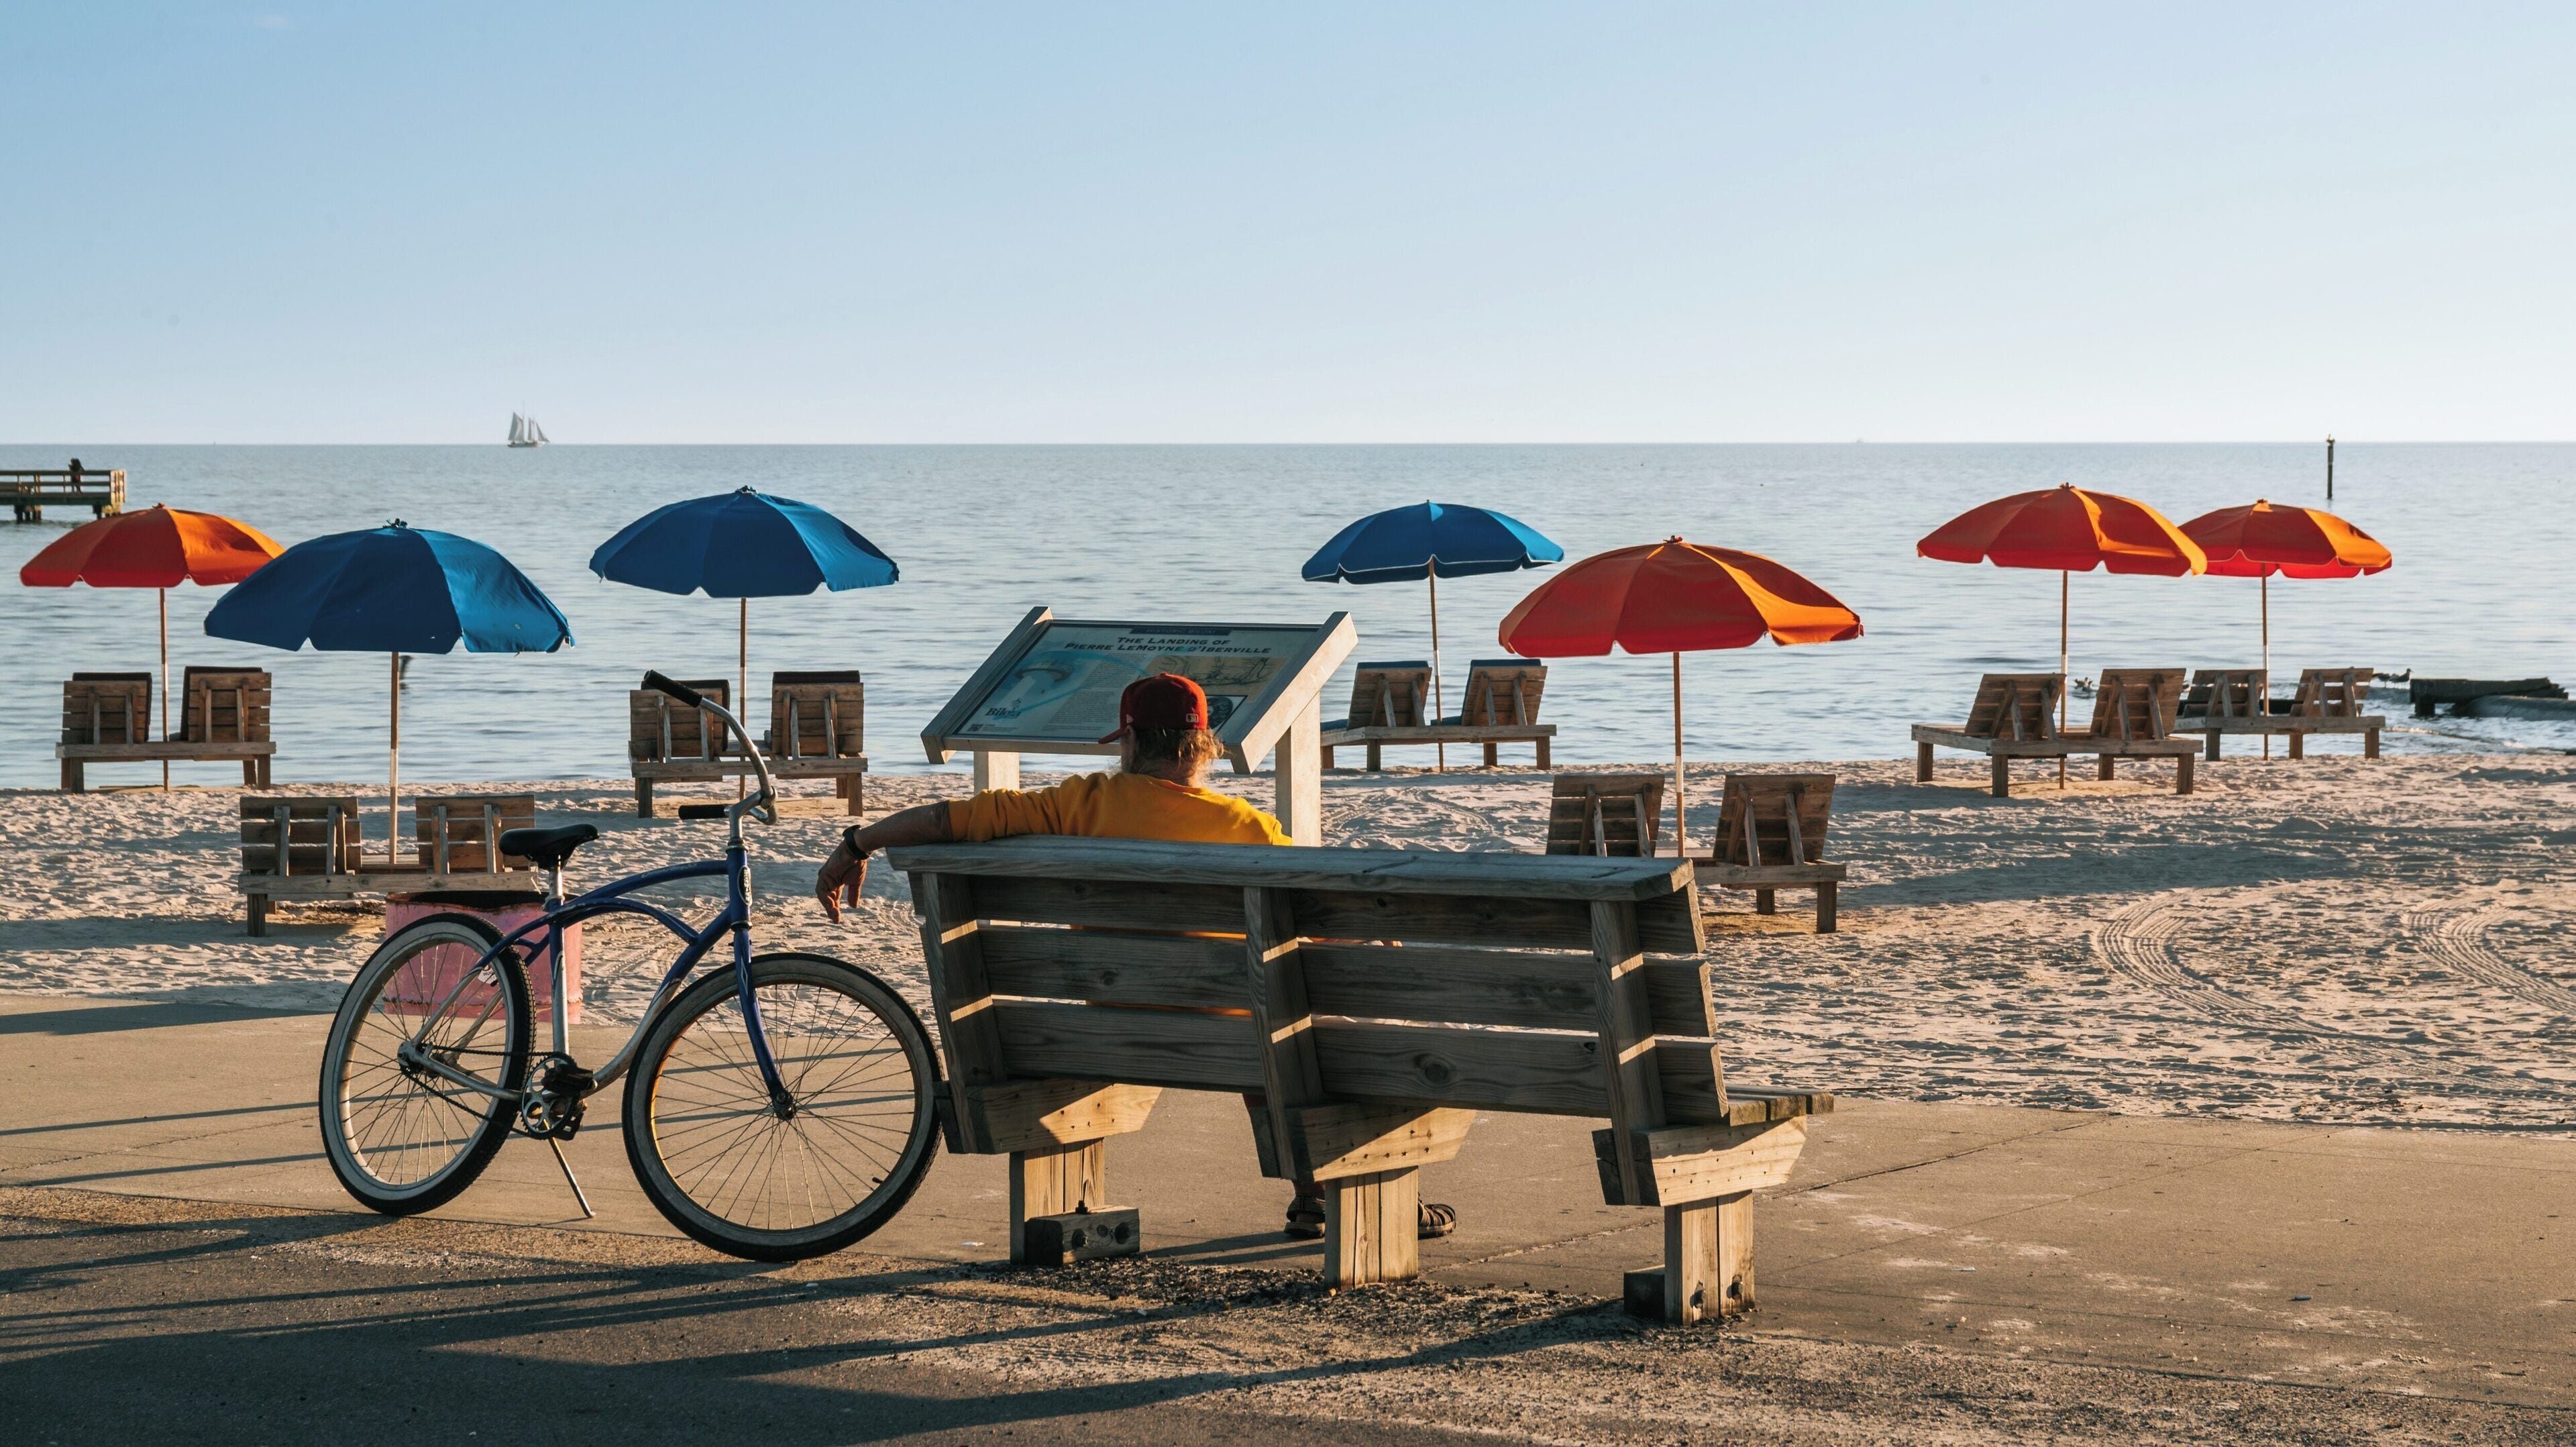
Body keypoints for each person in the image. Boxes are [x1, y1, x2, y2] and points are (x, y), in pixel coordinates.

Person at [813, 672, 1455, 1242]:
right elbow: (1316, 925)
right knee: (1292, 1024)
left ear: (1128, 741)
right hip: (1228, 1038)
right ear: (1203, 745)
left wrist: (859, 840)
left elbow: (948, 819)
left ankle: (1308, 1190)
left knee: (1263, 1019)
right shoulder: (1244, 827)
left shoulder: (1076, 804)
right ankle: (1319, 1192)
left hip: (1094, 1030)